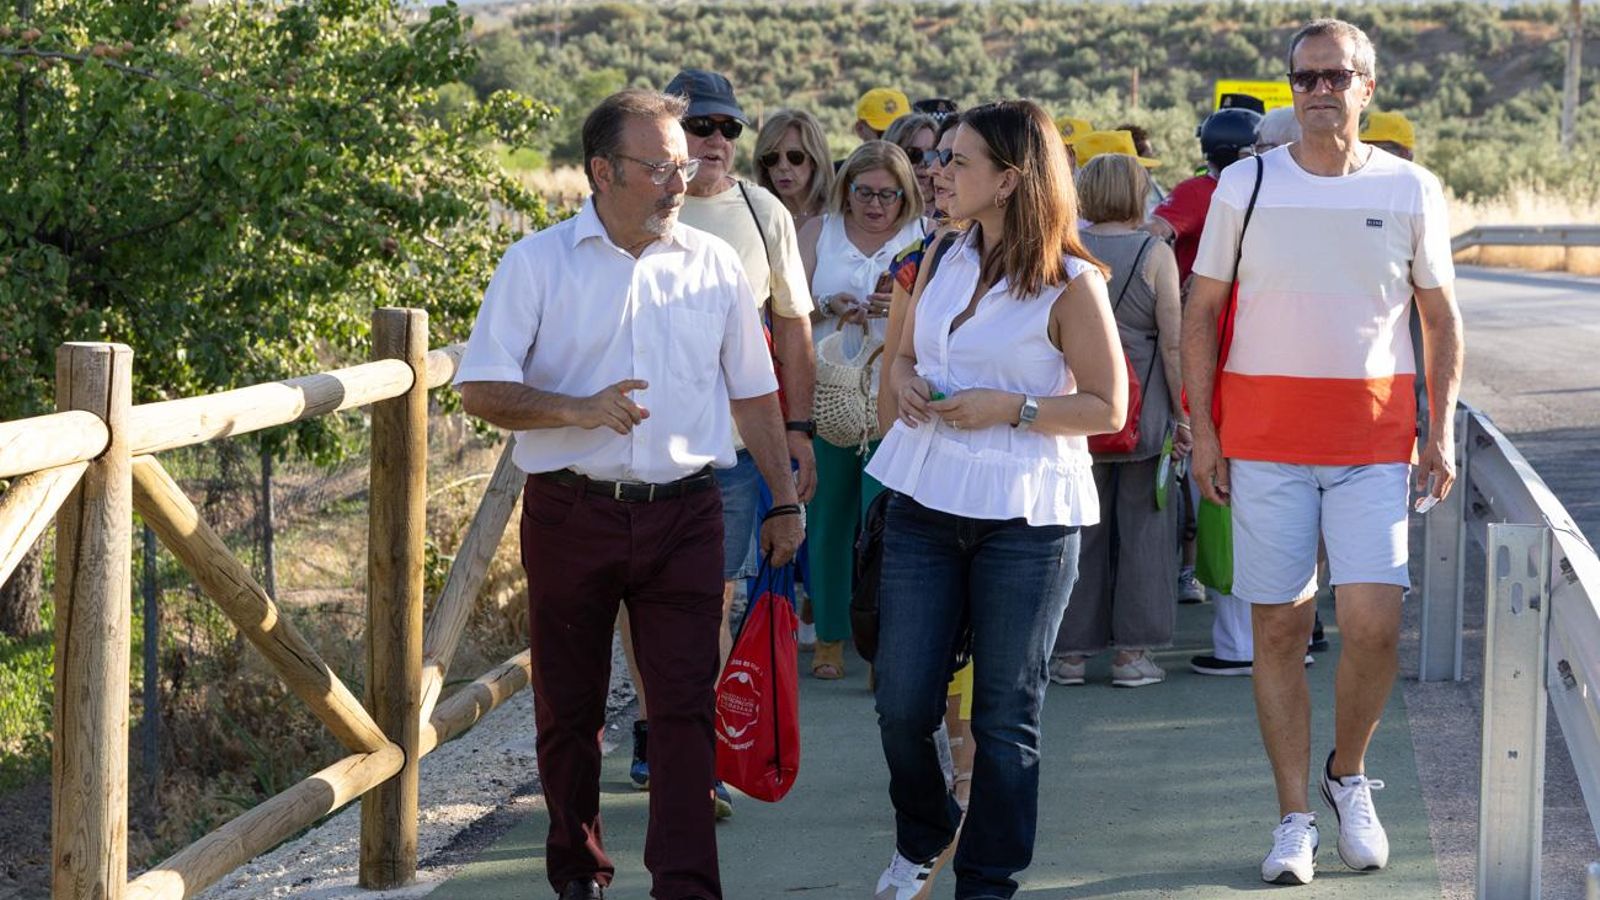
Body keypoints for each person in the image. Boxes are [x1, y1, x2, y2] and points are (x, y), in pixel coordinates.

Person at [454, 89, 804, 900]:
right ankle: (579, 875)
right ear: (602, 171)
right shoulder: (535, 263)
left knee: (684, 709)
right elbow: (480, 389)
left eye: (684, 163)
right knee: (569, 712)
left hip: (688, 511)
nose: (681, 180)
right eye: (660, 166)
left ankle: (686, 886)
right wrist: (574, 409)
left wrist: (784, 501)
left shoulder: (715, 264)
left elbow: (753, 393)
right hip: (570, 511)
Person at [1182, 19, 1463, 885]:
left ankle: (1349, 774)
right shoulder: (1245, 183)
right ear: (1290, 88)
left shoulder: (1414, 187)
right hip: (1263, 442)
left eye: (1336, 76)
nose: (1318, 91)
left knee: (1376, 625)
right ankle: (1294, 816)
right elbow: (1199, 313)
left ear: (1366, 88)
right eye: (1304, 78)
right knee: (1281, 626)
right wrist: (1206, 431)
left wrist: (1438, 428)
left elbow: (1441, 320)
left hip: (1374, 442)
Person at [866, 100, 1124, 899]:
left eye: (959, 160)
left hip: (1029, 519)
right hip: (924, 501)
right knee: (902, 705)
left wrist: (1010, 409)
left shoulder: (1074, 283)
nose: (938, 171)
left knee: (1006, 720)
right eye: (940, 157)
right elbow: (902, 355)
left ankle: (988, 883)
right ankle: (926, 829)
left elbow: (1110, 409)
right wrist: (904, 378)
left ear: (1011, 180)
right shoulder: (936, 253)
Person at [612, 68, 818, 820]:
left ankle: (690, 750)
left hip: (728, 452)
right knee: (642, 600)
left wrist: (797, 433)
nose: (718, 141)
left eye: (730, 129)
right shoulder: (627, 212)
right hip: (635, 445)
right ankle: (655, 720)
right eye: (703, 127)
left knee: (712, 599)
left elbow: (792, 326)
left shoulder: (765, 216)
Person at [1049, 151, 1187, 689]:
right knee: (1147, 535)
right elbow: (1172, 344)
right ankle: (1132, 656)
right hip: (1143, 416)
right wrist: (1185, 415)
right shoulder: (1155, 253)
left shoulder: (1064, 251)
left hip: (1076, 412)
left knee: (1080, 534)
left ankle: (1070, 655)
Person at [798, 140, 926, 680]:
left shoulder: (925, 239)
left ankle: (881, 645)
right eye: (864, 192)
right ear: (845, 189)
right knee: (827, 522)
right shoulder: (815, 232)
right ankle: (829, 637)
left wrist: (899, 305)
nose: (875, 205)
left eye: (888, 195)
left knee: (890, 526)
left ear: (905, 198)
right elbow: (785, 308)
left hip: (897, 401)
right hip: (829, 394)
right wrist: (830, 306)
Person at [752, 108, 834, 231]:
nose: (783, 166)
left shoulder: (839, 218)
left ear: (814, 160)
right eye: (771, 158)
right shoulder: (758, 220)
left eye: (795, 157)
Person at [884, 112, 940, 208]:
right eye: (913, 154)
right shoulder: (877, 211)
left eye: (931, 155)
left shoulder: (954, 214)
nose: (923, 163)